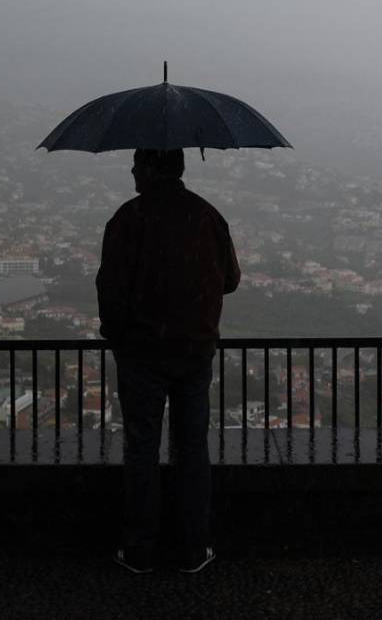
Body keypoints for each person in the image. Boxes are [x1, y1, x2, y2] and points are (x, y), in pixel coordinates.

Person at [97, 148, 241, 575]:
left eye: (136, 164)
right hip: (195, 350)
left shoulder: (128, 219)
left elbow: (111, 286)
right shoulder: (208, 217)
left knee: (142, 446)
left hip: (141, 352)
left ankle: (139, 546)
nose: (131, 171)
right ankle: (194, 547)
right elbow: (230, 280)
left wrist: (118, 334)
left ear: (151, 168)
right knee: (192, 446)